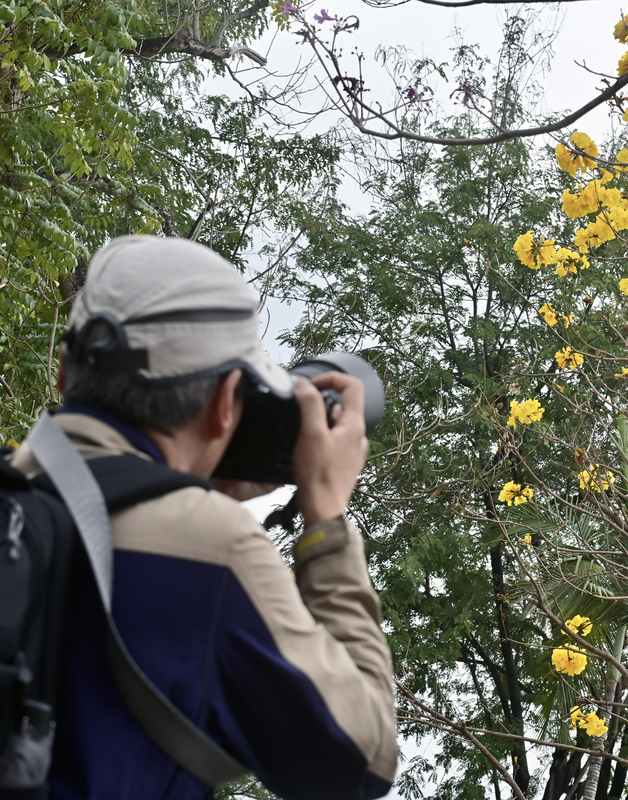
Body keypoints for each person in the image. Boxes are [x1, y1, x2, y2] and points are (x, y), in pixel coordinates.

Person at [5, 236, 398, 799]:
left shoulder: (15, 501)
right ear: (224, 403)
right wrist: (327, 517)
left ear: (66, 372)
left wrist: (190, 483)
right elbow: (362, 760)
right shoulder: (214, 548)